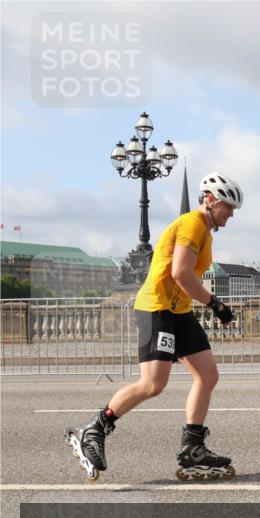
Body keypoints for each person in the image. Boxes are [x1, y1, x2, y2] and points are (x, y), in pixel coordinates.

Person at [66, 172, 244, 482]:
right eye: (228, 207)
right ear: (212, 201)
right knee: (153, 384)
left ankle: (193, 448)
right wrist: (216, 304)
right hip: (156, 309)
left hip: (179, 311)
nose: (231, 214)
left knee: (208, 375)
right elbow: (180, 274)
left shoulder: (205, 231)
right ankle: (93, 429)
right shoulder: (191, 223)